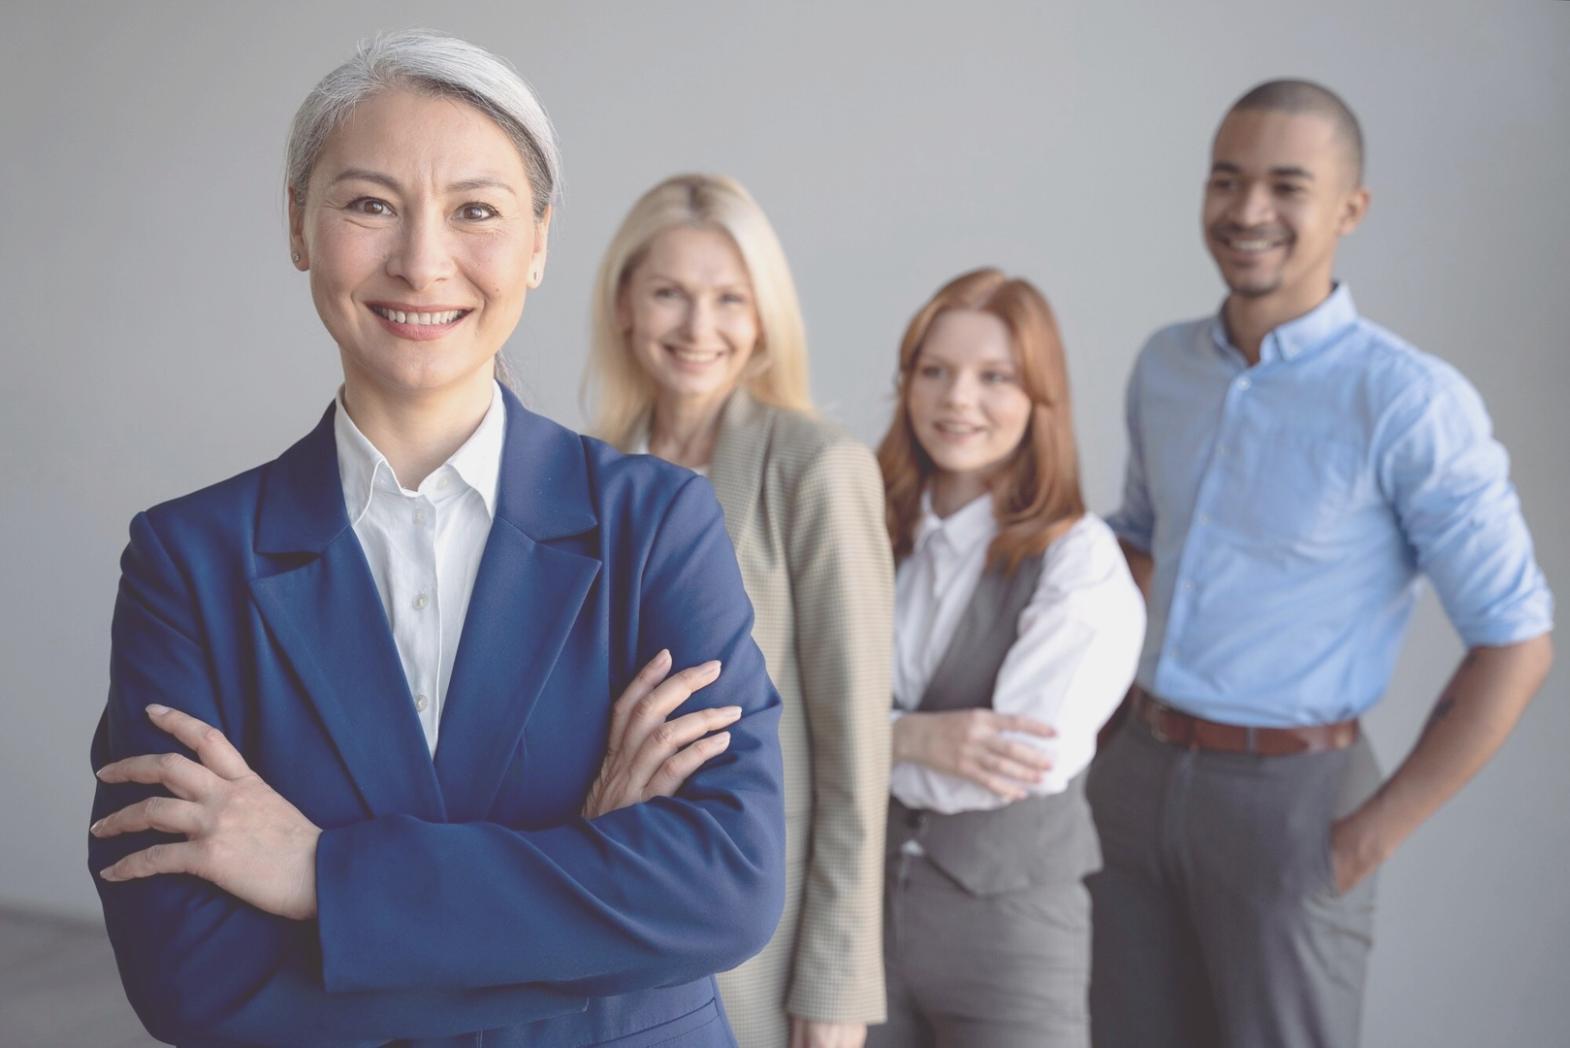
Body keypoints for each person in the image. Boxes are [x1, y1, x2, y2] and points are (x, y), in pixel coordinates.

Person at [86, 31, 785, 1048]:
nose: (422, 260)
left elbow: (728, 886)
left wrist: (321, 876)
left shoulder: (656, 525)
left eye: (477, 212)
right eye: (369, 203)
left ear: (540, 241)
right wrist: (592, 885)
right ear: (299, 226)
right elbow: (189, 978)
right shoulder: (187, 561)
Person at [1089, 79, 1555, 1048]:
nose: (1247, 210)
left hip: (1290, 805)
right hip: (1130, 776)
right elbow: (1136, 542)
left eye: (1285, 185)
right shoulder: (1163, 366)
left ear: (1350, 208)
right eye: (1226, 180)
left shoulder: (1410, 402)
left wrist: (1362, 841)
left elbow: (1515, 639)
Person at [584, 173, 893, 1048]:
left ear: (763, 317)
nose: (698, 327)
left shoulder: (816, 467)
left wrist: (837, 981)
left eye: (729, 298)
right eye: (670, 294)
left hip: (763, 934)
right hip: (604, 912)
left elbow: (856, 754)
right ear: (623, 306)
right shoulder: (586, 474)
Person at [866, 269, 1144, 1048]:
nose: (958, 399)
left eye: (995, 378)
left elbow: (1017, 762)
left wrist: (850, 742)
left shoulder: (1079, 560)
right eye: (935, 372)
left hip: (1010, 935)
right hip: (860, 923)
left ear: (1040, 399)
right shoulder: (864, 529)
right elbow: (784, 716)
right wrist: (910, 738)